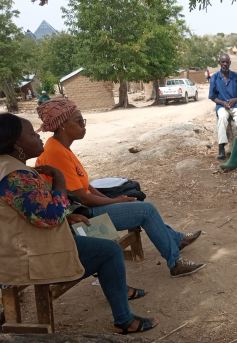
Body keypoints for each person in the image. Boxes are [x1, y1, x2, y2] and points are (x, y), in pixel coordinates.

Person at [0, 113, 157, 334]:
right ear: (17, 143)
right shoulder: (15, 176)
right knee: (110, 250)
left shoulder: (0, 165)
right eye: (32, 134)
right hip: (16, 261)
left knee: (94, 234)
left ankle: (119, 287)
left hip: (3, 254)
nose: (39, 136)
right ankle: (124, 320)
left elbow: (26, 208)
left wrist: (68, 215)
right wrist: (58, 179)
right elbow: (51, 217)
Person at [34, 99, 205, 278]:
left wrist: (114, 201)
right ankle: (176, 261)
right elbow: (83, 197)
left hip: (85, 208)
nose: (84, 125)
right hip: (80, 217)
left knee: (136, 201)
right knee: (146, 210)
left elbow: (85, 186)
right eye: (79, 121)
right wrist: (114, 201)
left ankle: (176, 241)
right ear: (62, 125)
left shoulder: (62, 148)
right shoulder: (56, 153)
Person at [209, 53, 237, 160]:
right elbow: (212, 97)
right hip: (222, 106)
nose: (225, 64)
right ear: (219, 63)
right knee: (221, 118)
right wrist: (222, 103)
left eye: (227, 62)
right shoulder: (214, 77)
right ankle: (221, 147)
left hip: (236, 105)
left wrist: (235, 100)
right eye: (223, 62)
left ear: (230, 63)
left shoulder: (236, 76)